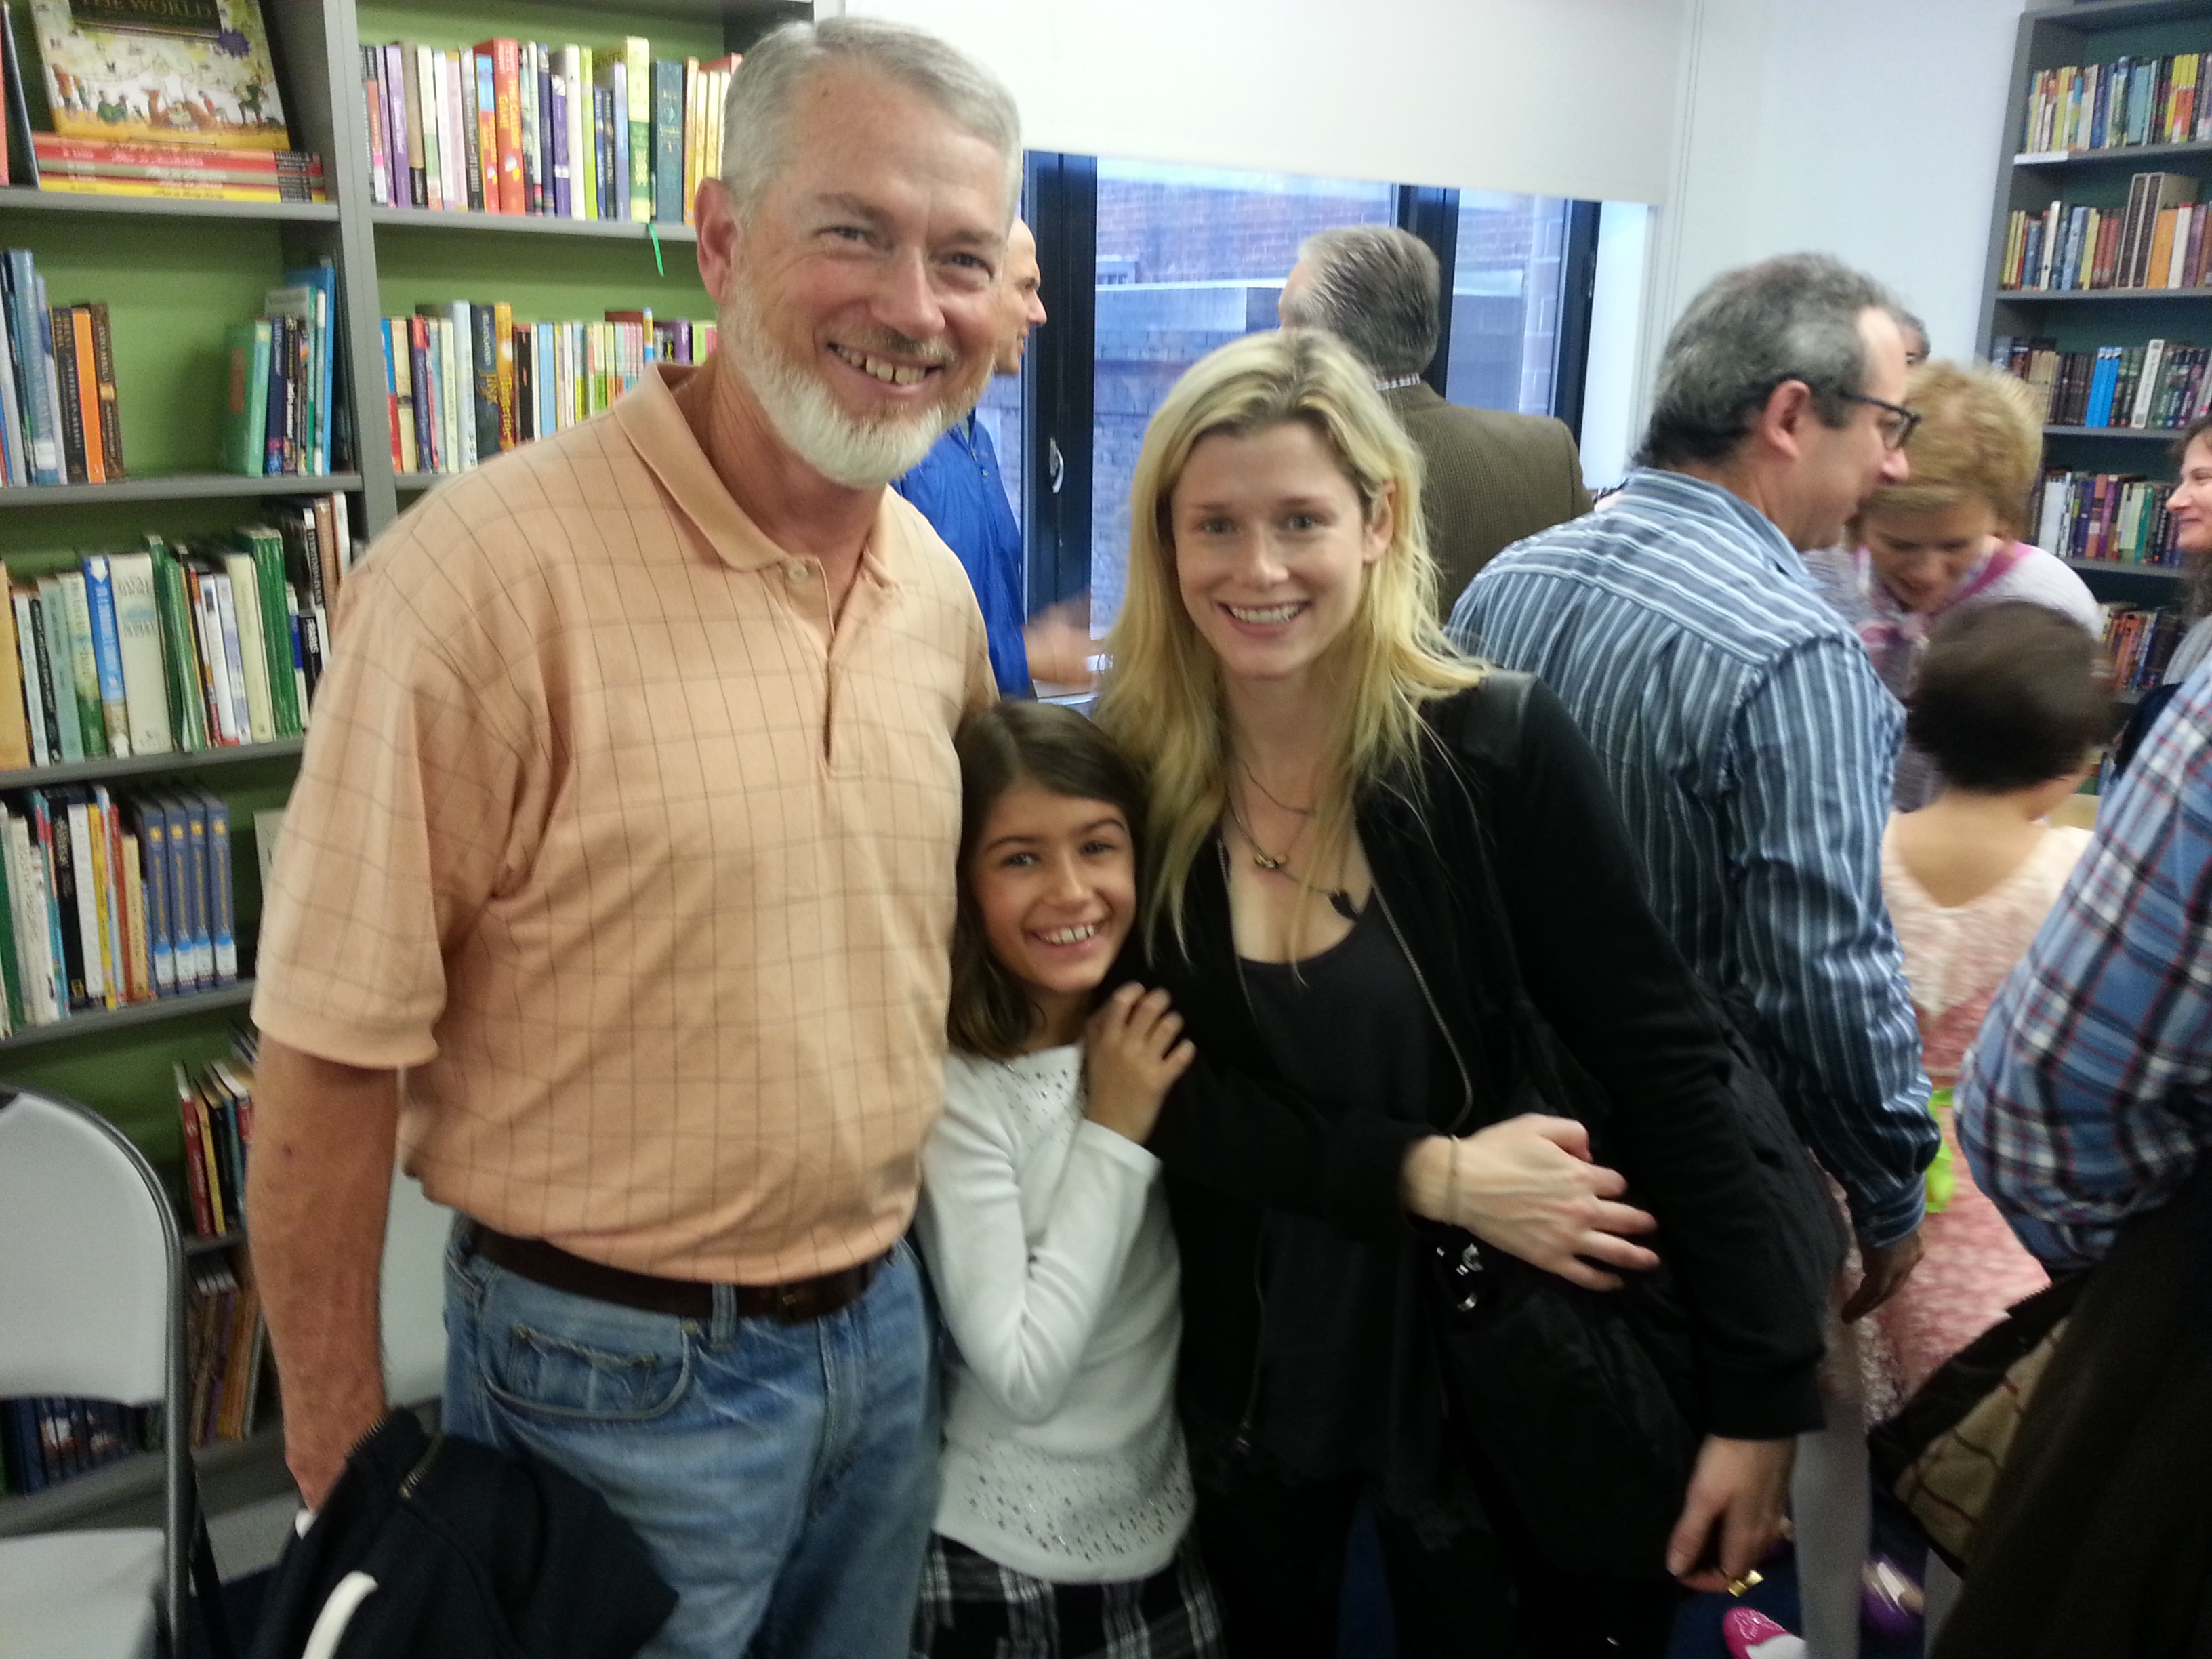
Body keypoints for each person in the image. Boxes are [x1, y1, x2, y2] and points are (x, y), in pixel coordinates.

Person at [245, 20, 1017, 1658]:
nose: (916, 307)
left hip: (887, 1336)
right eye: (856, 231)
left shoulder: (935, 596)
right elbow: (326, 1052)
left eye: (963, 257)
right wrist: (343, 1476)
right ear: (721, 240)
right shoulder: (480, 585)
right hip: (604, 1383)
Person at [1095, 327, 1824, 1658]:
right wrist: (1428, 1173)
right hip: (1249, 1371)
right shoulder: (1127, 776)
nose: (1258, 569)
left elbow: (1665, 1065)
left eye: (1299, 519)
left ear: (1376, 520)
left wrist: (1758, 1396)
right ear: (1164, 542)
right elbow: (1153, 1097)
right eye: (1214, 527)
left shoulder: (1493, 748)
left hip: (1501, 1370)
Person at [1449, 253, 1940, 1659]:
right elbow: (1820, 974)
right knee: (1645, 1552)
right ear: (1789, 414)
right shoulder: (1794, 653)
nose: (1895, 467)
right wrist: (1890, 1185)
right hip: (1683, 1211)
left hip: (1502, 1176)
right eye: (1886, 424)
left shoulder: (1503, 583)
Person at [909, 699, 1222, 1659]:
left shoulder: (1137, 1031)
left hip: (1161, 1531)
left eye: (1098, 846)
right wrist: (1115, 1133)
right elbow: (1022, 1374)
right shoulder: (964, 1089)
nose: (1072, 890)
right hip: (1001, 1564)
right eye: (1020, 859)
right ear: (962, 882)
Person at [1943, 662, 2212, 1657]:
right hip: (1993, 1252)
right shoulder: (2057, 858)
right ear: (2073, 762)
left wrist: (2137, 1277)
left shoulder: (1884, 847)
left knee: (1975, 1450)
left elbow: (2043, 1094)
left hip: (2146, 1330)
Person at [1874, 602, 2104, 1406]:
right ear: (2073, 757)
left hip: (1854, 1176)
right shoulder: (2082, 871)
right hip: (2001, 1191)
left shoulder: (1861, 850)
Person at [1803, 359, 2102, 810]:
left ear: (2001, 518)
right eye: (1899, 545)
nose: (1927, 572)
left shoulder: (2044, 604)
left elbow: (2050, 768)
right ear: (1857, 514)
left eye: (1955, 545)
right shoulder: (1818, 568)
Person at [1277, 225, 1591, 617]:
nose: (1276, 339)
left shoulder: (1291, 462)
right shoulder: (1547, 451)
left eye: (1285, 321)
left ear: (1316, 341)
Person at [897, 218, 1048, 695]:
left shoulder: (976, 439)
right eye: (1026, 288)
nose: (1039, 313)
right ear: (973, 290)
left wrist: (1028, 655)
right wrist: (1031, 653)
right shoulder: (895, 449)